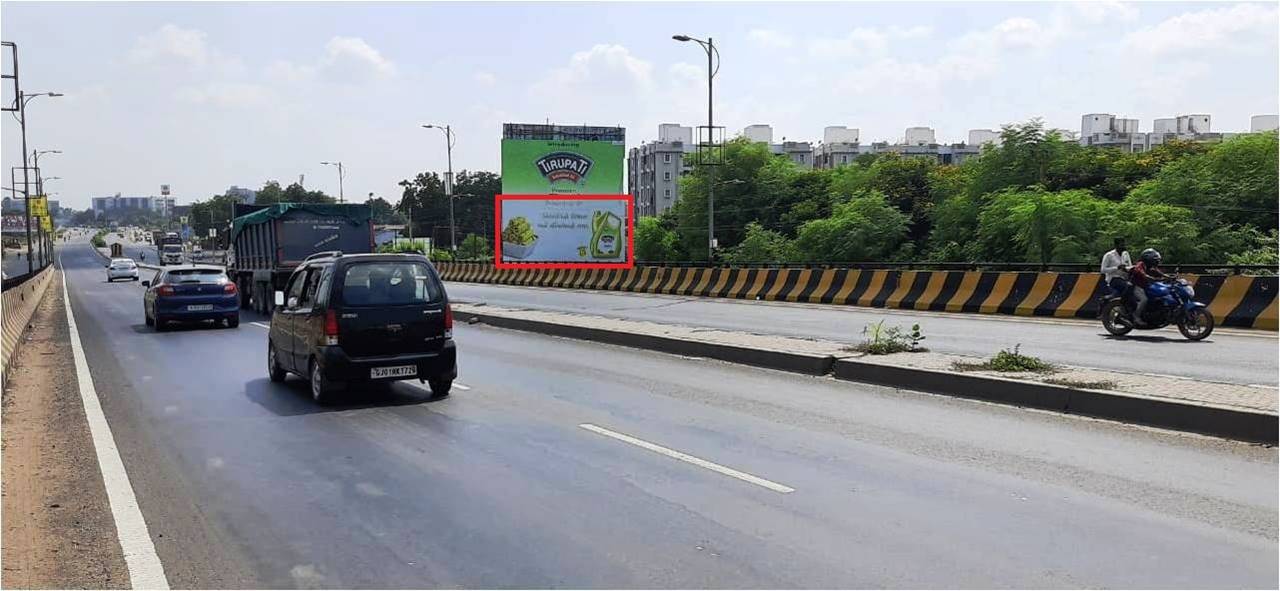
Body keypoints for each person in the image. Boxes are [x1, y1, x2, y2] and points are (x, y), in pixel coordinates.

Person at [1129, 248, 1167, 326]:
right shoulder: (1141, 264)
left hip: (1145, 286)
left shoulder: (1150, 266)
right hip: (1136, 286)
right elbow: (1139, 271)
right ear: (1148, 258)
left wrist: (1169, 277)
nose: (1157, 261)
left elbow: (1159, 273)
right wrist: (1148, 277)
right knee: (1144, 299)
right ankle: (1136, 316)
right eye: (1155, 259)